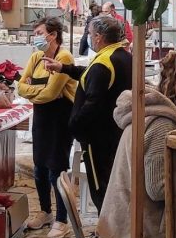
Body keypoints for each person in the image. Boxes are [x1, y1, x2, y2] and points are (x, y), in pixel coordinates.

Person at [97, 51, 176, 238]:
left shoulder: (151, 112)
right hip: (139, 232)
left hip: (125, 220)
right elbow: (157, 188)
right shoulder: (162, 125)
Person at [43, 16, 132, 214]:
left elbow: (93, 102)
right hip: (116, 132)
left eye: (90, 34)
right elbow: (91, 76)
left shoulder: (104, 62)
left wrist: (75, 126)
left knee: (100, 187)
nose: (89, 38)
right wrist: (64, 68)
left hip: (98, 138)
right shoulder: (123, 56)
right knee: (113, 184)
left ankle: (107, 233)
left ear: (99, 37)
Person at [18, 17, 77, 238]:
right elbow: (21, 87)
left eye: (39, 32)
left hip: (61, 119)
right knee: (39, 168)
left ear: (52, 35)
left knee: (56, 170)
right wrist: (37, 91)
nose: (36, 37)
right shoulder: (35, 57)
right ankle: (45, 211)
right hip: (41, 118)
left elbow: (52, 93)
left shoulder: (64, 57)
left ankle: (63, 220)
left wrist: (34, 89)